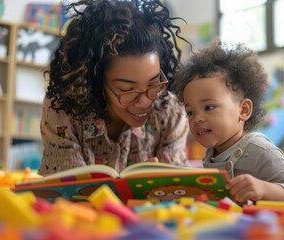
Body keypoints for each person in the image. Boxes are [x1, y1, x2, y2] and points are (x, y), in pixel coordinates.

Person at [39, 0, 191, 176]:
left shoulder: (171, 113)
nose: (144, 102)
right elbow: (67, 192)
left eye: (153, 84)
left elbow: (175, 192)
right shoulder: (64, 109)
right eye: (127, 89)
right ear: (96, 81)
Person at [173, 39, 284, 206]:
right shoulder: (212, 153)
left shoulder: (259, 150)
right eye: (190, 112)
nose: (197, 118)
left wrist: (263, 189)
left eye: (208, 107)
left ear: (243, 110)